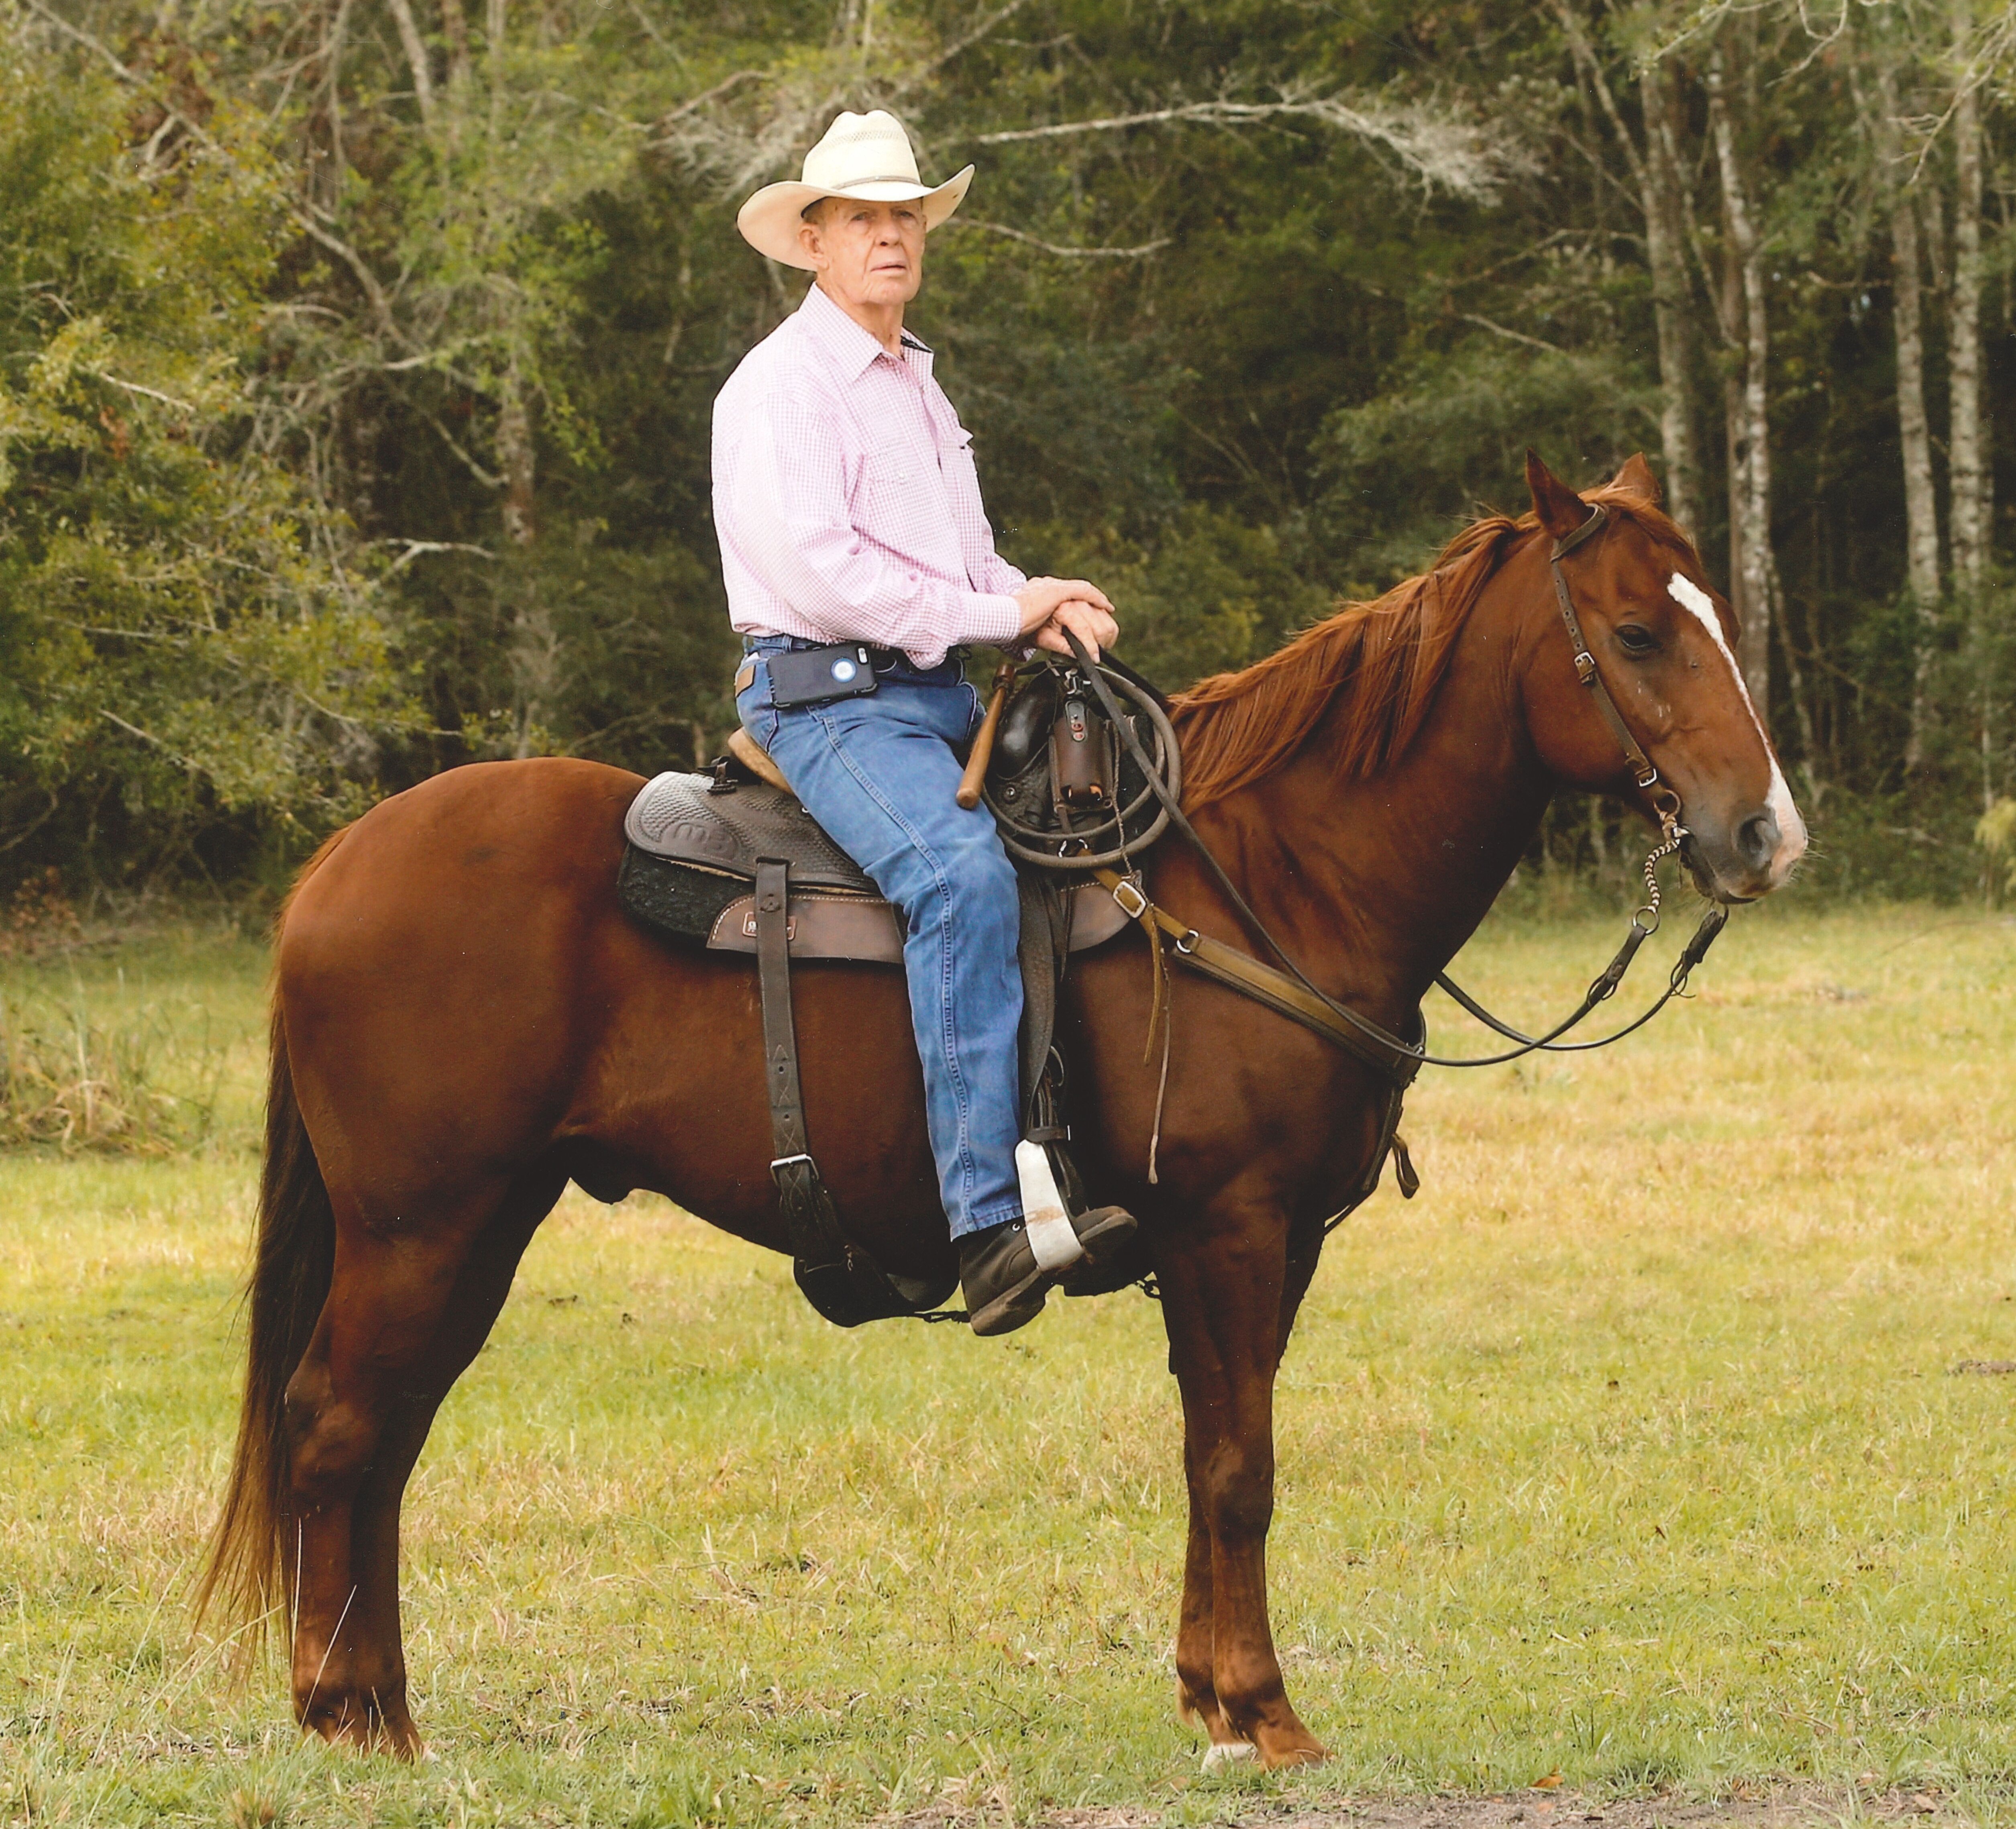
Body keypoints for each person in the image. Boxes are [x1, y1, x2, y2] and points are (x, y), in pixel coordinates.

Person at [713, 110, 1134, 1335]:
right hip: (829, 698)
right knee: (959, 877)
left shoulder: (918, 381)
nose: (889, 235)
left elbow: (961, 561)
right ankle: (984, 1226)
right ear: (813, 241)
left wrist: (1038, 605)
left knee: (1107, 832)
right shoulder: (781, 388)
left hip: (938, 690)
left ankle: (1078, 1158)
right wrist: (1004, 610)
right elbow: (834, 575)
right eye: (862, 218)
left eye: (905, 215)